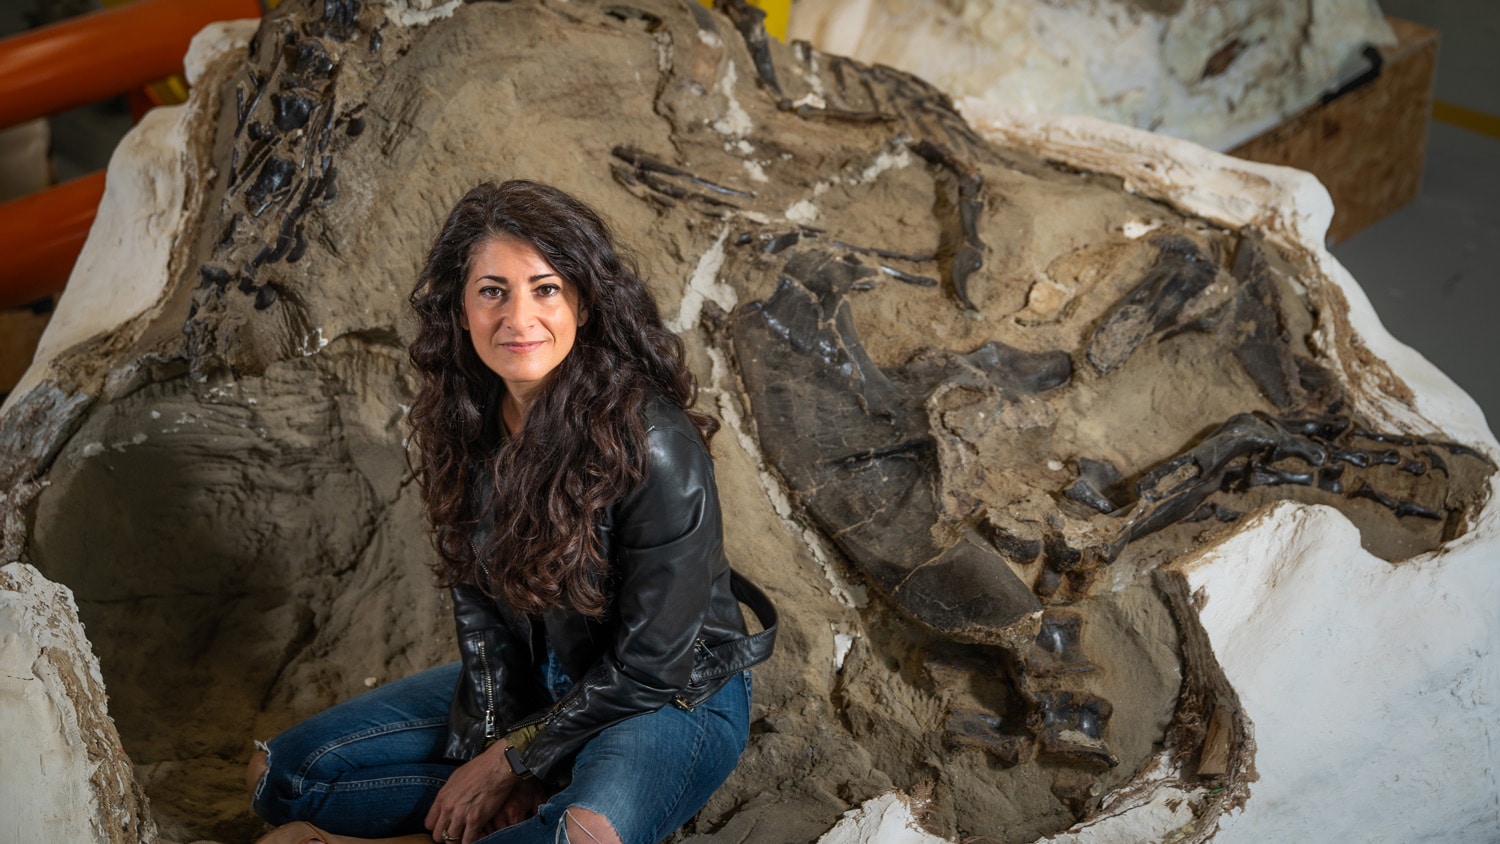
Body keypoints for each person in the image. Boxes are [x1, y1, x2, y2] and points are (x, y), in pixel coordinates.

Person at [247, 180, 776, 844]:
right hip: (542, 681)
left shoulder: (656, 441)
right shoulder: (461, 422)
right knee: (283, 778)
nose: (518, 318)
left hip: (672, 691)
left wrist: (518, 757)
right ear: (460, 309)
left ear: (583, 304)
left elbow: (652, 664)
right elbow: (479, 613)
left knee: (584, 835)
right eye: (493, 291)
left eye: (546, 289)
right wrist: (499, 748)